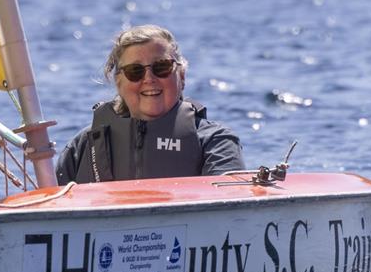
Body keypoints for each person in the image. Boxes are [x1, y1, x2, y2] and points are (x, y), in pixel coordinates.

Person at [56, 24, 245, 185]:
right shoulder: (82, 146)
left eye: (161, 67)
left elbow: (231, 209)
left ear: (181, 75)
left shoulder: (216, 142)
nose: (149, 79)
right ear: (119, 83)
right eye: (134, 71)